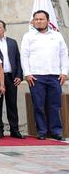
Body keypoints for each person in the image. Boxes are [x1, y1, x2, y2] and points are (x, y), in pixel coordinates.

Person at [21, 10, 69, 141]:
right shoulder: (28, 36)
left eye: (41, 19)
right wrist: (27, 73)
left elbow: (64, 54)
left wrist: (64, 72)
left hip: (54, 76)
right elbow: (24, 56)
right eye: (36, 19)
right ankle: (42, 131)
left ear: (48, 21)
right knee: (38, 105)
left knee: (55, 105)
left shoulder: (57, 36)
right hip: (36, 77)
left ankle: (56, 131)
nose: (38, 21)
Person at [0, 19, 24, 139]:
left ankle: (15, 130)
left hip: (11, 77)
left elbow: (18, 60)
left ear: (4, 29)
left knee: (12, 105)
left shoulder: (12, 42)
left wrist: (19, 75)